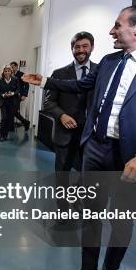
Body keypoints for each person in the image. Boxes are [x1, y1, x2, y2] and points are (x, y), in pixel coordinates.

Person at [23, 3, 136, 270]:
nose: (112, 30)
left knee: (122, 221)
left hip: (131, 159)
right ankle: (87, 269)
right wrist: (45, 81)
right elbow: (78, 85)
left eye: (117, 24)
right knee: (90, 214)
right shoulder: (109, 62)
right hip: (95, 150)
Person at [43, 31, 97, 177]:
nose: (81, 50)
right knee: (62, 173)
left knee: (88, 175)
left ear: (92, 47)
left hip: (90, 135)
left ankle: (82, 199)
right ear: (72, 49)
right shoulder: (59, 74)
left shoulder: (100, 72)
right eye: (77, 47)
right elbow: (48, 101)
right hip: (64, 133)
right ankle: (62, 200)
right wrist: (62, 116)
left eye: (85, 46)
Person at [0, 65, 20, 141]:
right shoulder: (0, 80)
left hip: (12, 102)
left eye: (8, 71)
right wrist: (3, 94)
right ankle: (1, 136)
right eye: (5, 71)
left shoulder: (15, 79)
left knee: (9, 119)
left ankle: (5, 135)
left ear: (11, 72)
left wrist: (12, 93)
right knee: (4, 118)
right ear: (3, 72)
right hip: (3, 102)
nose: (7, 72)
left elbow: (18, 90)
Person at [10, 61, 31, 130]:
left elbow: (27, 85)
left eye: (12, 67)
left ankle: (24, 122)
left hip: (18, 96)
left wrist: (24, 95)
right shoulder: (9, 74)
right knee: (14, 111)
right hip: (10, 96)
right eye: (11, 67)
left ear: (16, 67)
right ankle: (25, 122)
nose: (11, 69)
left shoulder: (22, 74)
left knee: (14, 111)